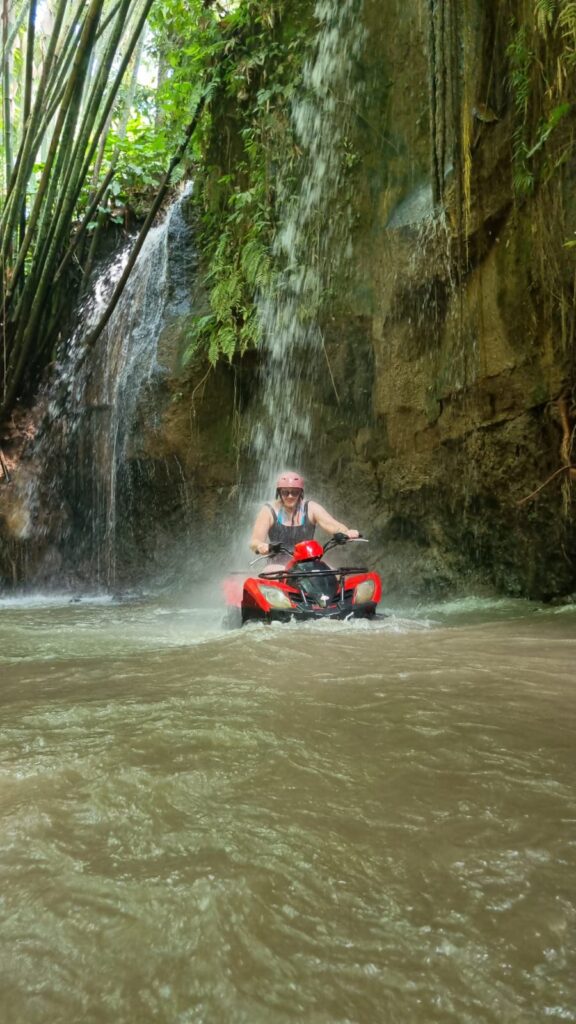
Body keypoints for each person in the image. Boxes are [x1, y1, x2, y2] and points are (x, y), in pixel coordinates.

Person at [250, 471, 359, 559]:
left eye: (295, 492)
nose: (290, 496)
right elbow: (254, 541)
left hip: (308, 562)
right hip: (277, 564)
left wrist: (346, 532)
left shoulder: (311, 507)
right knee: (272, 575)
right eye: (285, 492)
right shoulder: (269, 510)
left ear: (301, 493)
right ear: (279, 493)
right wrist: (260, 546)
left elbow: (331, 524)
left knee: (332, 576)